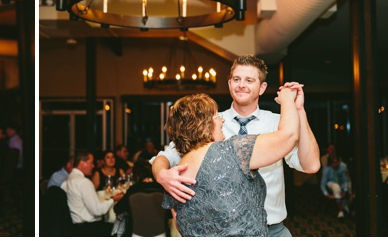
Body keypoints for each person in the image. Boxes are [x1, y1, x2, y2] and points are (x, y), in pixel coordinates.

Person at [152, 55, 320, 237]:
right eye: (237, 79)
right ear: (229, 83)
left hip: (273, 230)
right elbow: (165, 156)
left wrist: (299, 110)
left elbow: (311, 165)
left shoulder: (280, 123)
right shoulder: (211, 122)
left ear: (262, 87)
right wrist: (162, 174)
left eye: (249, 80)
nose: (241, 85)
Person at [164, 88, 301, 236]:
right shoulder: (232, 150)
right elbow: (290, 136)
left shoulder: (175, 175)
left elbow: (179, 223)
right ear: (204, 125)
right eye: (216, 116)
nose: (222, 119)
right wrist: (288, 100)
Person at [61, 151, 124, 236]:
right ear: (83, 163)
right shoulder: (84, 182)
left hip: (74, 228)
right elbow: (97, 211)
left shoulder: (66, 181)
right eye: (91, 163)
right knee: (121, 227)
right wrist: (114, 199)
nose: (93, 166)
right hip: (90, 229)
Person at [113, 159, 163, 237]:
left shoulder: (133, 190)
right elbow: (169, 214)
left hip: (136, 234)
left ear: (136, 175)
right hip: (161, 234)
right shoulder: (161, 189)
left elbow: (117, 209)